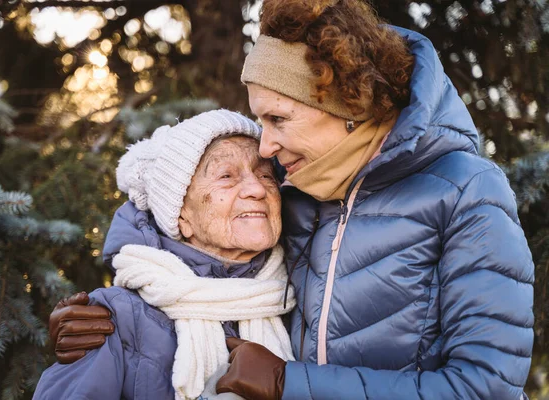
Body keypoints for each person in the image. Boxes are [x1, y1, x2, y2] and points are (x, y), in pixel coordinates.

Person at [48, 1, 535, 399]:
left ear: (346, 102)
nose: (265, 148)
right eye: (260, 122)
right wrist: (108, 313)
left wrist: (290, 384)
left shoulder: (467, 192)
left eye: (278, 119)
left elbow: (485, 388)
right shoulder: (300, 181)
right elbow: (177, 205)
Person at [33, 109, 296, 400]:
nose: (257, 188)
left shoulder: (301, 292)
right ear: (180, 215)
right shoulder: (114, 317)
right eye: (226, 176)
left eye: (265, 174)